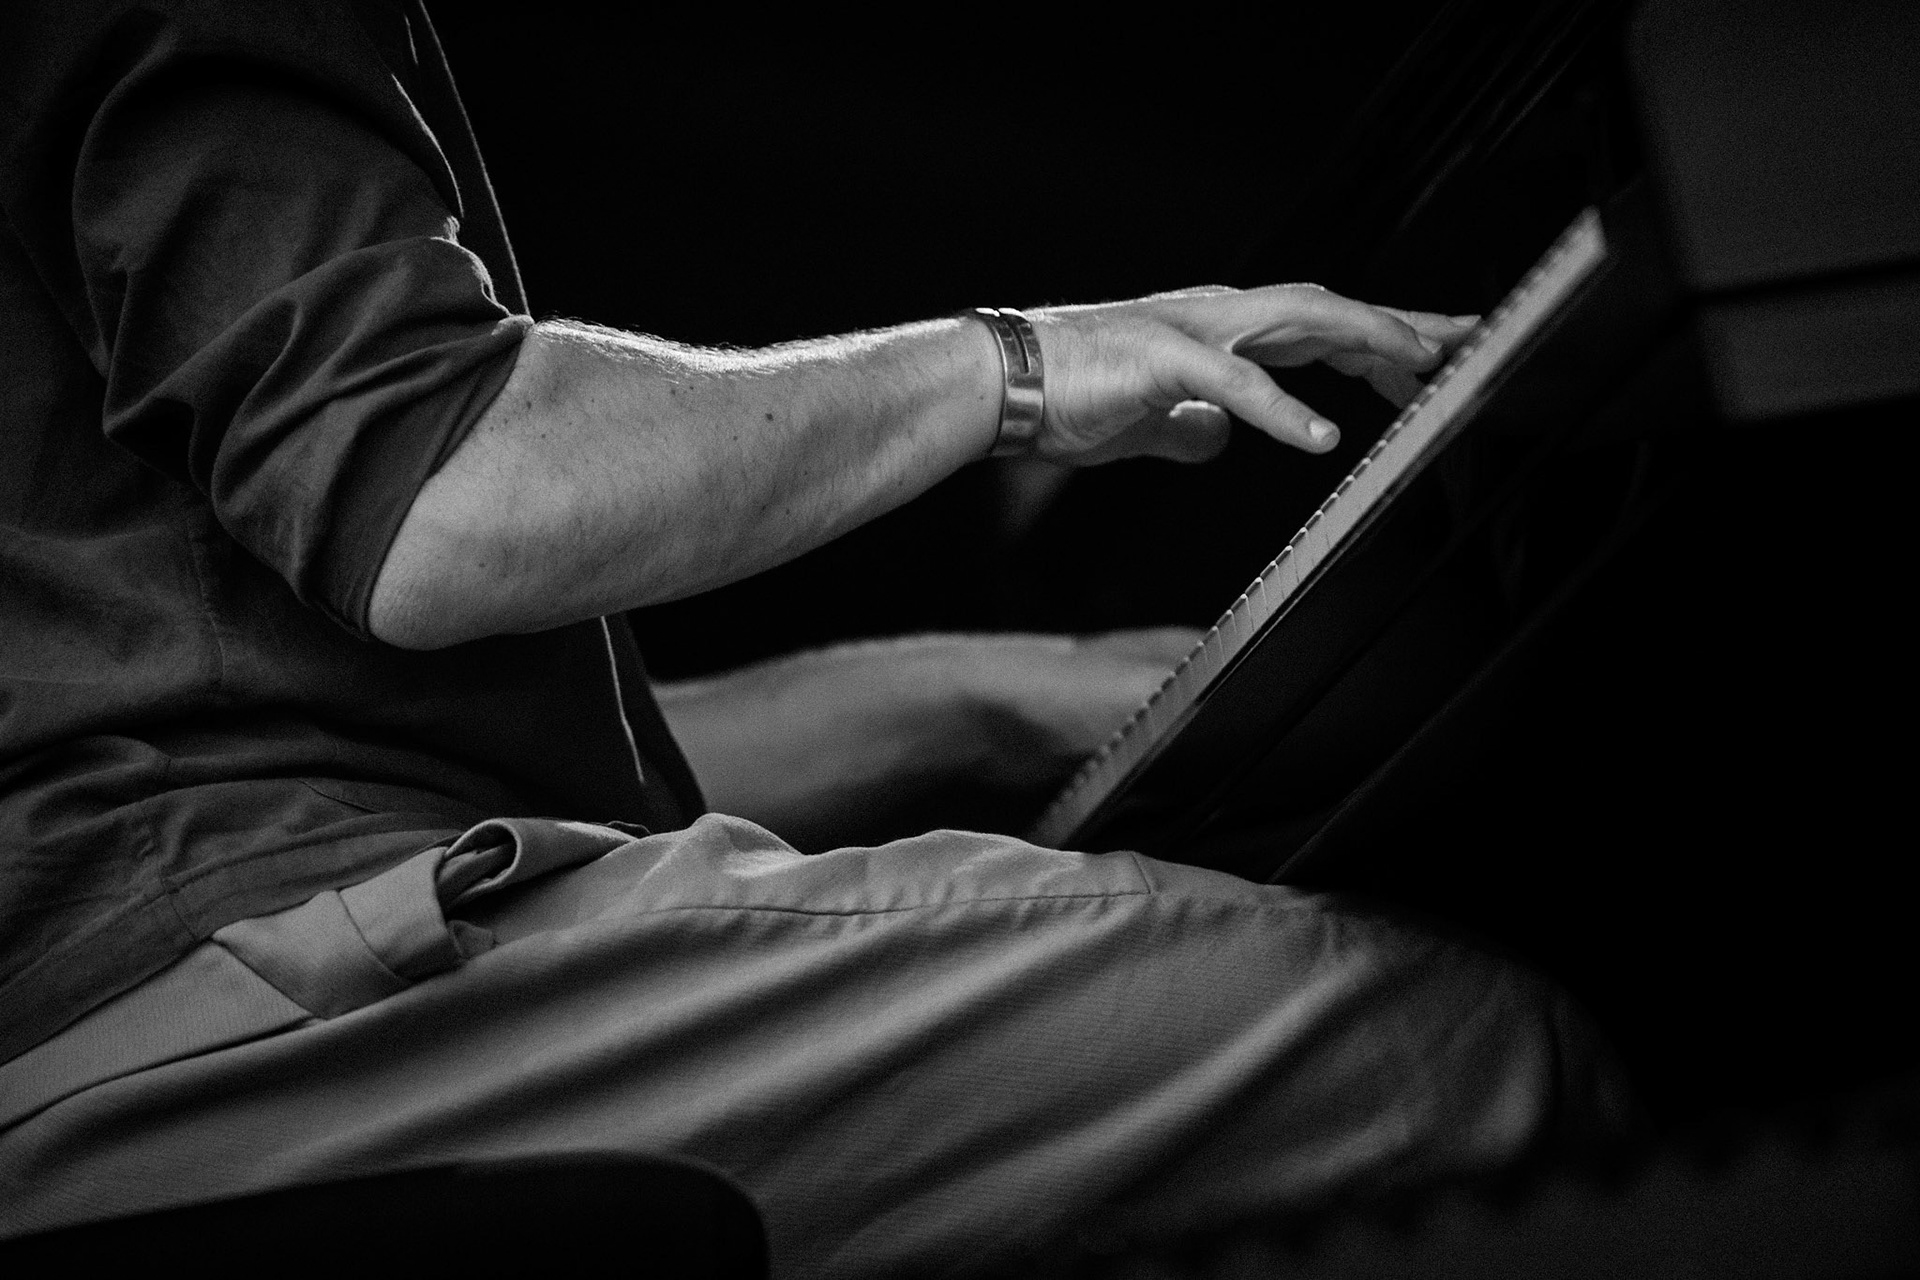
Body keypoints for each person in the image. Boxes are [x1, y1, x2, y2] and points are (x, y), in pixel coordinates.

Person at [0, 2, 1635, 1274]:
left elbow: (355, 769)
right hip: (211, 1035)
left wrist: (1012, 696)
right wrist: (1022, 364)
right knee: (1454, 1063)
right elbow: (438, 499)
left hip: (105, 1048)